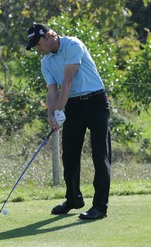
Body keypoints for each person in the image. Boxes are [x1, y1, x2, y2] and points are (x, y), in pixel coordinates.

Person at [26, 23, 111, 220]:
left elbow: (68, 80)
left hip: (96, 102)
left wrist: (59, 110)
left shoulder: (73, 45)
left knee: (100, 155)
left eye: (38, 44)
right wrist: (51, 116)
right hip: (73, 105)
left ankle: (100, 207)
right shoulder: (46, 62)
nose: (38, 49)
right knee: (69, 155)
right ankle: (73, 199)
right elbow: (52, 91)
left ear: (49, 35)